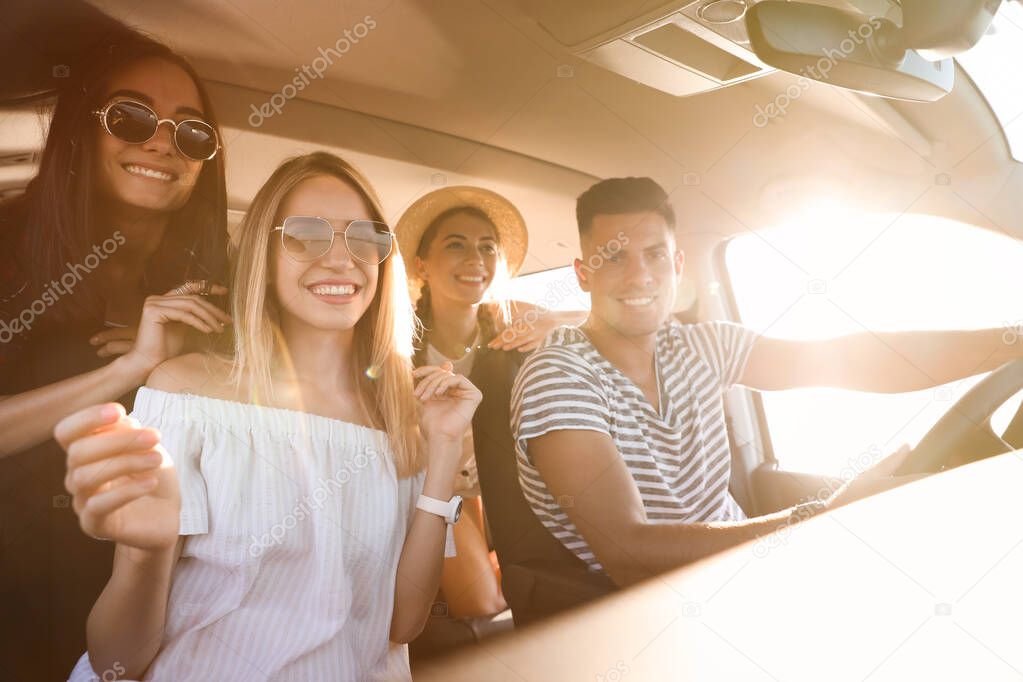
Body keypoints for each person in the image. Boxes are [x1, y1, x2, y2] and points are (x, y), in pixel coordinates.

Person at [56, 151, 480, 680]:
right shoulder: (186, 391)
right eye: (307, 235)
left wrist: (443, 452)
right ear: (263, 253)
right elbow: (117, 661)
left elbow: (402, 624)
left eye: (364, 237)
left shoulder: (406, 414)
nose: (343, 260)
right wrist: (145, 552)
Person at [511, 176, 1018, 587]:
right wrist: (819, 517)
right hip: (647, 612)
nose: (639, 276)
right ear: (583, 273)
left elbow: (854, 357)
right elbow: (629, 553)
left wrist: (1011, 342)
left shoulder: (700, 345)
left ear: (677, 264)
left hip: (745, 571)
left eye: (655, 254)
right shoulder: (558, 377)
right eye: (615, 257)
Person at [0, 33, 230, 677]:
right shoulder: (8, 252)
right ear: (82, 131)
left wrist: (195, 362)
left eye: (191, 134)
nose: (162, 143)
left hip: (153, 610)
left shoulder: (223, 287)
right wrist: (125, 371)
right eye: (130, 118)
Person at [395, 186, 583, 618]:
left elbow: (603, 323)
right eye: (455, 244)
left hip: (516, 487)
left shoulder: (513, 318)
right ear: (422, 263)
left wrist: (555, 321)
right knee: (480, 603)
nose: (475, 259)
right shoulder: (399, 342)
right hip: (443, 487)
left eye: (486, 247)